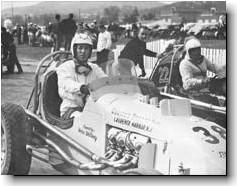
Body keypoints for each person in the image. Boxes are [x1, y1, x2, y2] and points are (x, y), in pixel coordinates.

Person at [56, 33, 107, 119]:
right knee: (88, 120)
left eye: (86, 48)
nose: (83, 51)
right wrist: (82, 88)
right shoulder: (65, 67)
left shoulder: (94, 68)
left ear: (90, 51)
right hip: (71, 110)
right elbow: (66, 83)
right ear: (74, 50)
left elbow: (105, 81)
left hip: (92, 109)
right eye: (80, 48)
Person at [179, 37, 225, 103]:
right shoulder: (184, 64)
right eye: (193, 50)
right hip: (193, 94)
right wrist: (201, 81)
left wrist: (225, 68)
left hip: (205, 91)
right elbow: (187, 83)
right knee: (214, 104)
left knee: (218, 100)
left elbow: (215, 68)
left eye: (198, 50)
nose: (197, 52)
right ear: (188, 51)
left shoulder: (203, 59)